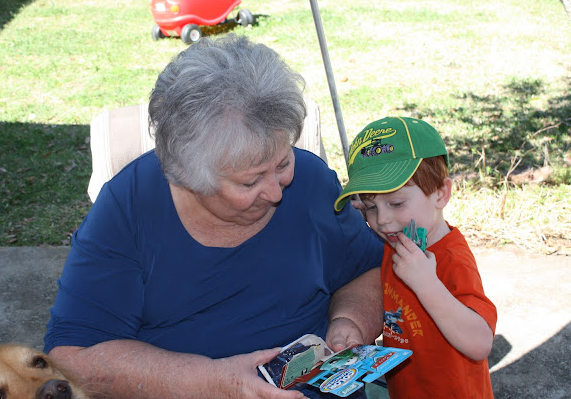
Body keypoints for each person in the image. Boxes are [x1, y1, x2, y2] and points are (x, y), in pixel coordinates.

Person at [43, 34, 385, 398]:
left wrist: (350, 321)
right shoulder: (129, 209)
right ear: (190, 179)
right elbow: (74, 357)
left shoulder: (312, 181)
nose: (276, 191)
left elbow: (365, 270)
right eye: (250, 181)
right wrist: (215, 382)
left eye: (283, 162)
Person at [334, 116, 498, 398]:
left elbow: (480, 343)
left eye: (396, 203)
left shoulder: (451, 259)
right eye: (370, 207)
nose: (382, 220)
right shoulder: (396, 242)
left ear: (441, 194)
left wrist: (426, 284)